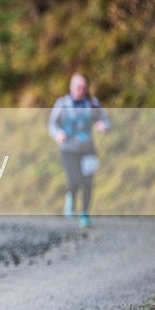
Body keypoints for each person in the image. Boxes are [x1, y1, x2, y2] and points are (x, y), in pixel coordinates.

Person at [48, 73, 110, 228]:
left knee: (88, 181)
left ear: (86, 88)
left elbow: (105, 119)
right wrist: (58, 134)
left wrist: (103, 126)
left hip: (88, 149)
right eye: (77, 87)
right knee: (75, 180)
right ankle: (71, 197)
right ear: (71, 87)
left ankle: (85, 213)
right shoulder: (62, 104)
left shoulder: (93, 103)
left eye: (83, 88)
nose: (80, 91)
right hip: (68, 150)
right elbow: (52, 125)